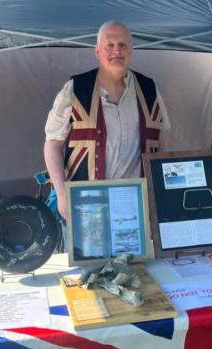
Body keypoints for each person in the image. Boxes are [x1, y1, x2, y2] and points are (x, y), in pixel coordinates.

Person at [44, 20, 170, 219]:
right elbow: (52, 145)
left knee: (134, 251)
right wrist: (61, 194)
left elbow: (162, 144)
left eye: (122, 45)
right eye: (109, 46)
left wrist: (162, 192)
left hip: (135, 206)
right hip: (87, 205)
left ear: (131, 51)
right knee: (90, 251)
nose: (116, 51)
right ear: (97, 51)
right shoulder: (75, 89)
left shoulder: (149, 90)